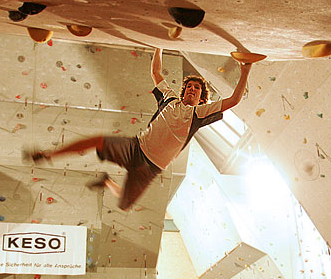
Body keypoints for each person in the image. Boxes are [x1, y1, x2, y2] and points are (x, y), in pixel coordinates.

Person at [24, 48, 253, 211]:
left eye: (196, 89)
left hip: (150, 168)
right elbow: (156, 74)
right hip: (136, 147)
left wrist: (245, 71)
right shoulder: (170, 99)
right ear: (183, 91)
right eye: (189, 87)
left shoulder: (200, 113)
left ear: (202, 97)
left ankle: (107, 182)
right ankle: (47, 155)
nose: (192, 90)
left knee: (124, 205)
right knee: (97, 140)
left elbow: (234, 100)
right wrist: (159, 46)